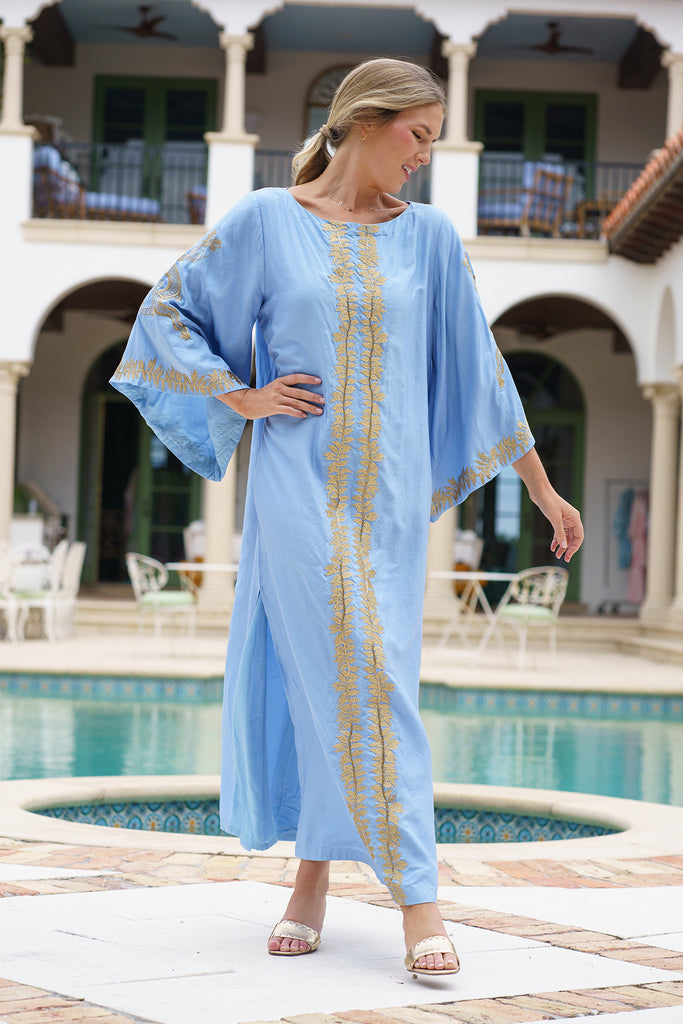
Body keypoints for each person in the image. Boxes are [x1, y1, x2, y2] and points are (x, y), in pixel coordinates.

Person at [111, 57, 583, 978]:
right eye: (418, 135)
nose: (424, 156)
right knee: (337, 667)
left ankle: (311, 881)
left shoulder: (430, 237)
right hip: (294, 490)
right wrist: (237, 395)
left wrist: (540, 486)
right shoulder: (264, 220)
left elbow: (480, 370)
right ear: (365, 122)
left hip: (392, 504)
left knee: (369, 673)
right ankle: (419, 899)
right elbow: (166, 315)